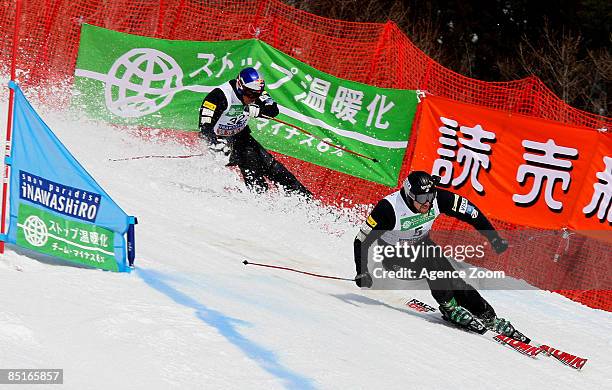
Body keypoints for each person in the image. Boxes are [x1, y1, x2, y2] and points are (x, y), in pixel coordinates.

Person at [353, 171, 527, 341]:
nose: (427, 203)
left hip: (423, 247)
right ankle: (449, 307)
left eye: (430, 196)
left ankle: (488, 316)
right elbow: (361, 240)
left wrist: (494, 238)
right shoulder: (388, 209)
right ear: (409, 195)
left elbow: (471, 212)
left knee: (454, 279)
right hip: (395, 259)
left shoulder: (437, 199)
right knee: (432, 262)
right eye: (422, 199)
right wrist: (362, 271)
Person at [198, 67, 311, 196]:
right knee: (254, 173)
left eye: (257, 94)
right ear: (240, 85)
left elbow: (273, 110)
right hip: (222, 140)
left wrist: (260, 110)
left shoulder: (255, 91)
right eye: (250, 94)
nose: (253, 98)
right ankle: (258, 203)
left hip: (242, 136)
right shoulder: (219, 96)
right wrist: (214, 144)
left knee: (275, 169)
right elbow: (204, 127)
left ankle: (307, 200)